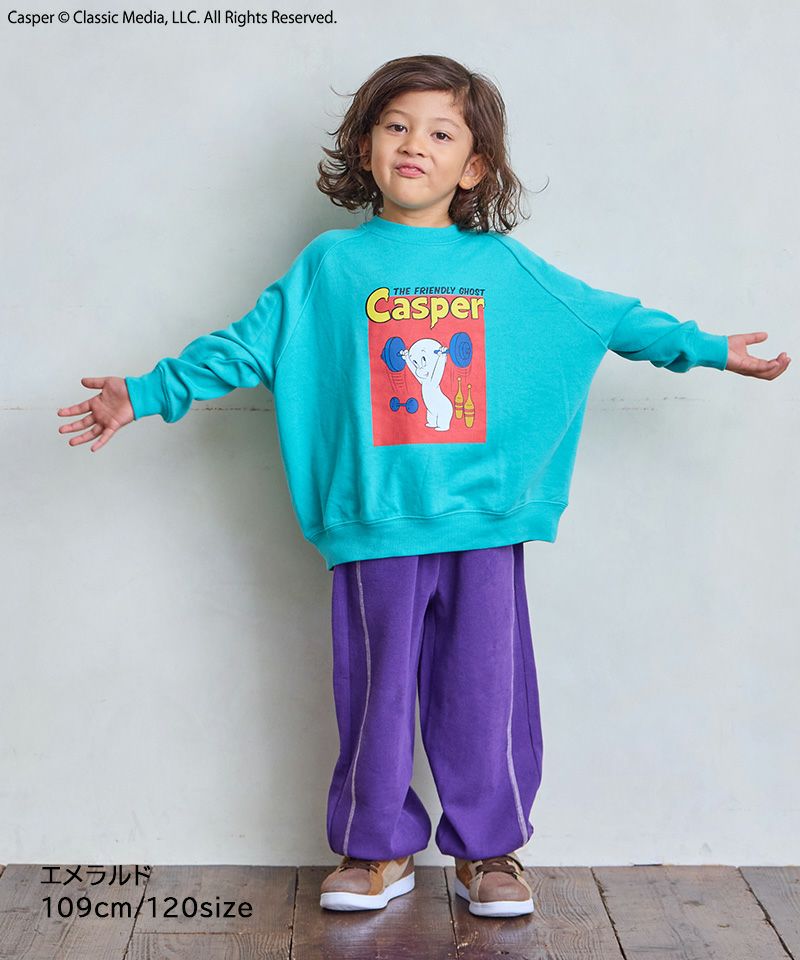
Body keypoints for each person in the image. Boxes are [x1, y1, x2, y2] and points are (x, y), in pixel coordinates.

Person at [56, 54, 790, 919]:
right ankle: (377, 849)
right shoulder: (331, 266)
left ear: (473, 167)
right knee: (373, 697)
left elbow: (604, 316)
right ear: (366, 146)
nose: (415, 145)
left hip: (482, 523)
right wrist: (146, 393)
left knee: (484, 693)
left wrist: (708, 349)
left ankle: (491, 852)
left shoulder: (502, 265)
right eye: (397, 126)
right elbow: (246, 346)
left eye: (442, 133)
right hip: (376, 523)